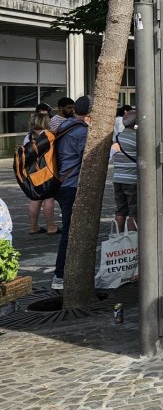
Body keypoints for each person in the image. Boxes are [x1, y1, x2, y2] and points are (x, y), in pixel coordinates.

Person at [51, 95, 90, 291]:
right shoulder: (81, 132)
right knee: (69, 232)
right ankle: (59, 275)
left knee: (70, 230)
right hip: (71, 185)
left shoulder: (64, 125)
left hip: (60, 183)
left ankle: (66, 273)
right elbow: (88, 159)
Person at [23, 109, 58, 236]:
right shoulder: (49, 135)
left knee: (35, 198)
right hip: (47, 171)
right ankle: (51, 227)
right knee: (49, 199)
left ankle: (33, 227)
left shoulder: (28, 137)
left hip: (32, 172)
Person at [110, 107, 138, 232]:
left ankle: (118, 236)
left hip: (117, 178)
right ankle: (132, 239)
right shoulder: (138, 138)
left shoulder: (118, 137)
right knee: (133, 211)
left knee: (120, 210)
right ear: (135, 123)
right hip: (132, 180)